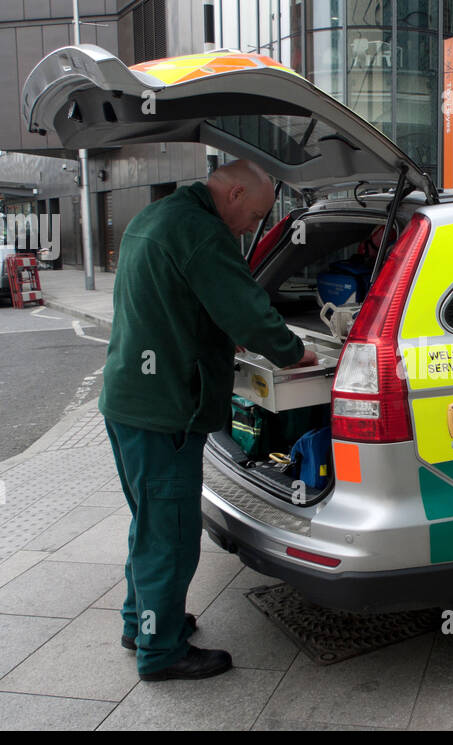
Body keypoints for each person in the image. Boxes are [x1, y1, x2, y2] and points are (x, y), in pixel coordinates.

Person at [99, 160, 316, 682]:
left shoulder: (157, 217)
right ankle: (161, 650)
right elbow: (245, 309)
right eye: (255, 216)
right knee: (170, 537)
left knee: (149, 524)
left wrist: (216, 333)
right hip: (166, 411)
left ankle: (142, 622)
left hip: (130, 400)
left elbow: (173, 301)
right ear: (234, 192)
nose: (249, 229)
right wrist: (294, 353)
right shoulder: (201, 230)